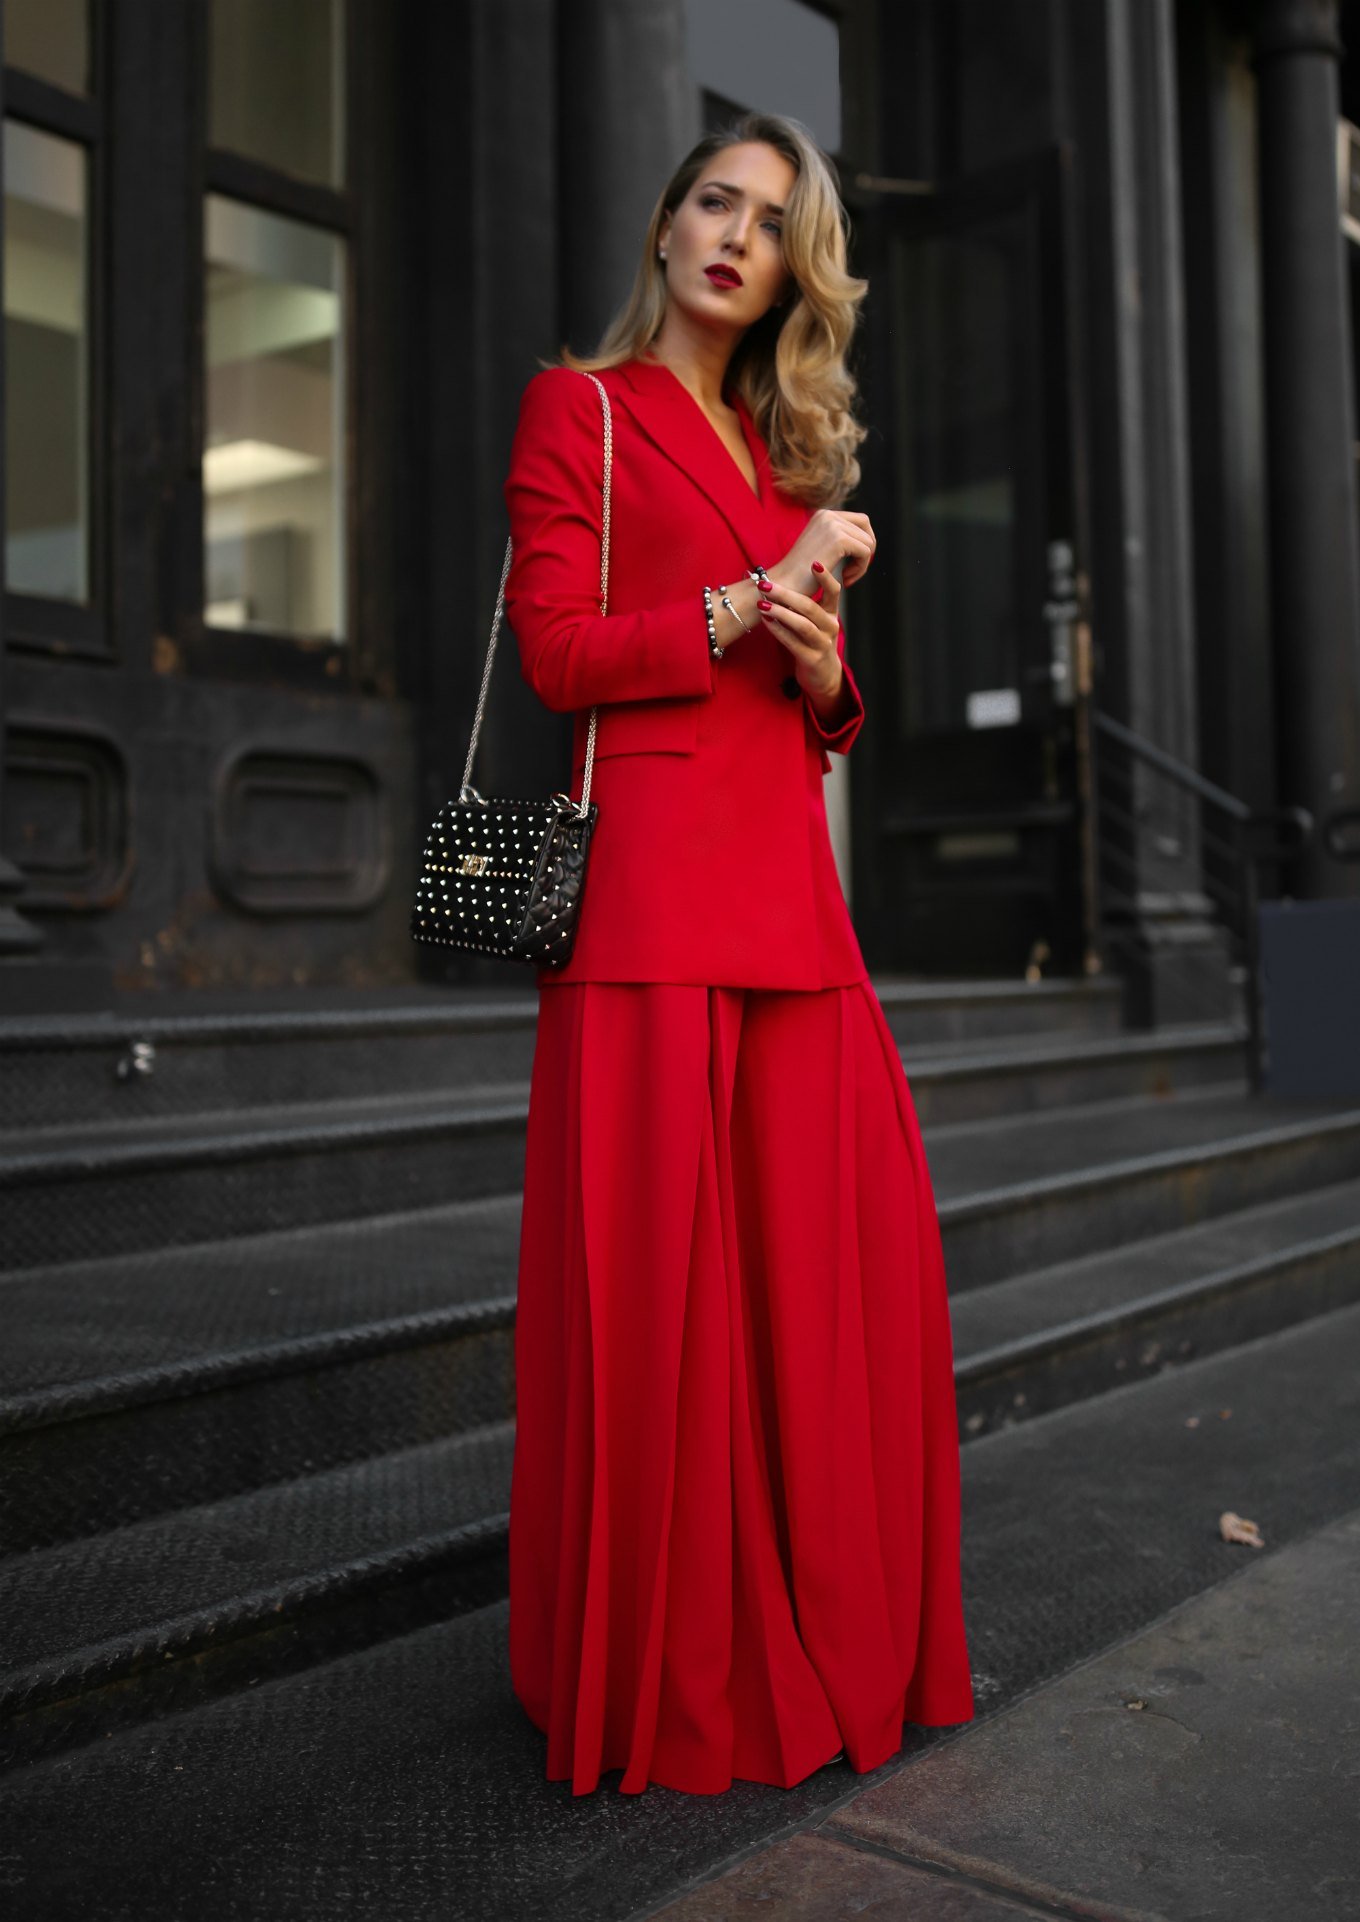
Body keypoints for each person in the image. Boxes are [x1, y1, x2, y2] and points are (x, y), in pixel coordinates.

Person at [503, 110, 975, 1798]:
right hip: (644, 916)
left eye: (771, 225)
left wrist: (816, 636)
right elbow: (557, 654)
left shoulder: (786, 450)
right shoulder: (586, 412)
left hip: (791, 906)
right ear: (663, 222)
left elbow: (825, 712)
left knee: (837, 1284)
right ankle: (665, 1666)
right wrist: (733, 604)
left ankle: (828, 1620)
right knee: (661, 1306)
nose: (735, 238)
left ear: (792, 270)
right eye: (716, 202)